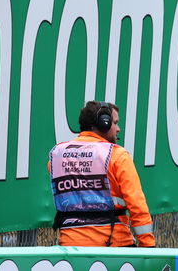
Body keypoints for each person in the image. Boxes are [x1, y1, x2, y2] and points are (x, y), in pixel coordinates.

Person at [48, 101, 155, 247]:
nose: (118, 129)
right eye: (115, 123)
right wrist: (148, 246)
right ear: (103, 123)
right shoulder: (118, 156)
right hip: (113, 246)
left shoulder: (58, 155)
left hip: (70, 247)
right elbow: (137, 205)